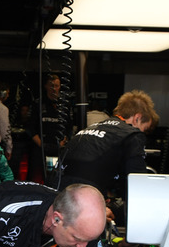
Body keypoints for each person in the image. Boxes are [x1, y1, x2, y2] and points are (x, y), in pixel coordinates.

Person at [55, 89, 158, 222]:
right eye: (144, 128)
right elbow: (137, 185)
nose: (142, 132)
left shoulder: (89, 129)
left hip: (58, 196)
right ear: (137, 118)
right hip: (80, 203)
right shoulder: (132, 134)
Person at [26, 73, 74, 182]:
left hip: (58, 147)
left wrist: (63, 141)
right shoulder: (38, 103)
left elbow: (70, 127)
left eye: (56, 86)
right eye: (51, 85)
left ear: (60, 87)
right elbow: (29, 127)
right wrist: (41, 144)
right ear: (46, 86)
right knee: (36, 177)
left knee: (56, 178)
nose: (54, 89)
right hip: (40, 147)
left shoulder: (65, 105)